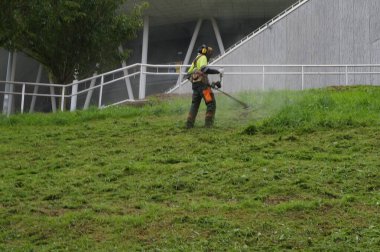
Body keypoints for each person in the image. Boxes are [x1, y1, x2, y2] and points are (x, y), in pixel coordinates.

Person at [184, 44, 221, 128]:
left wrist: (197, 81)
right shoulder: (203, 58)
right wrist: (217, 71)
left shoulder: (195, 60)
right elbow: (205, 69)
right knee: (211, 103)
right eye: (209, 54)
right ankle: (208, 124)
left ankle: (189, 124)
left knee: (195, 105)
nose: (209, 56)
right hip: (203, 88)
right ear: (205, 52)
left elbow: (187, 75)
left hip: (195, 87)